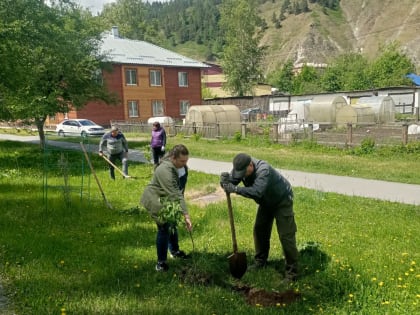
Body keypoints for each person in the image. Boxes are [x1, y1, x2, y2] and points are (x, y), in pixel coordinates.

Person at [220, 153, 298, 282]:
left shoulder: (263, 170)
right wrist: (224, 182)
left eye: (244, 173)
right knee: (260, 230)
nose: (243, 176)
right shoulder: (240, 167)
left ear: (250, 164)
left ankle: (292, 273)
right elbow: (232, 182)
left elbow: (256, 191)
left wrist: (235, 189)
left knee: (286, 236)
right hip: (266, 202)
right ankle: (260, 262)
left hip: (281, 200)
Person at [140, 144, 192, 272]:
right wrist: (186, 215)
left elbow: (179, 189)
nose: (184, 163)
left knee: (172, 224)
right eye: (182, 161)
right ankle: (161, 263)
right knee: (164, 228)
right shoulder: (165, 170)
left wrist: (179, 206)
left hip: (167, 199)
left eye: (186, 161)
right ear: (173, 158)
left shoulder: (180, 167)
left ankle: (174, 251)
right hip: (155, 200)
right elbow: (174, 193)